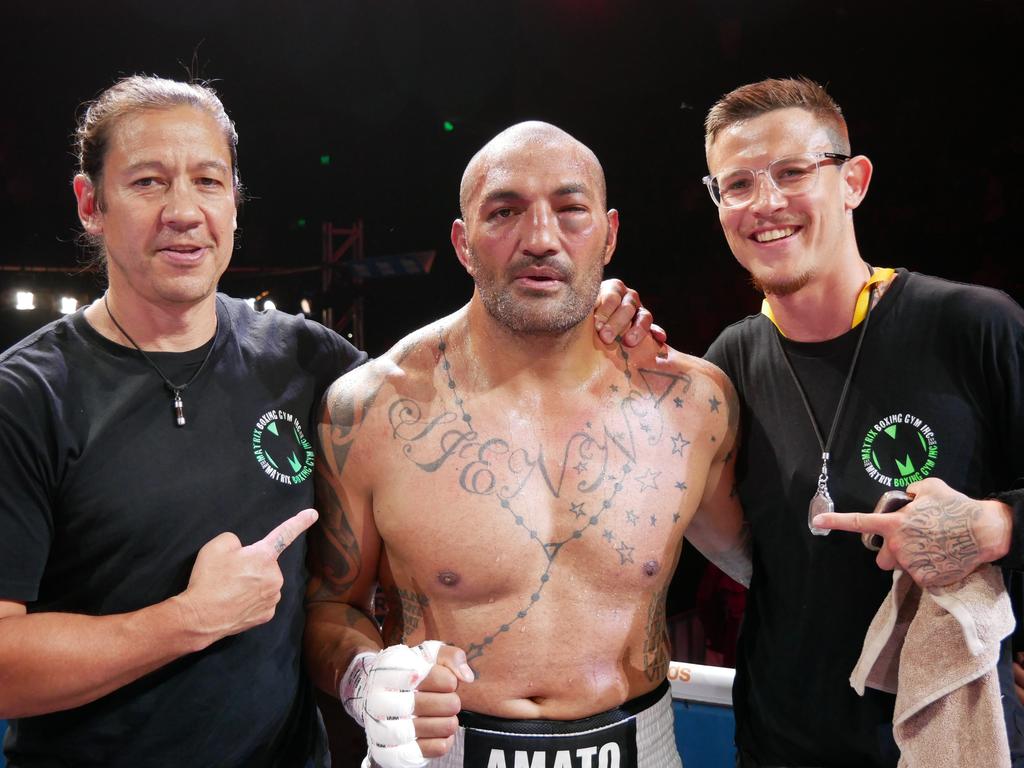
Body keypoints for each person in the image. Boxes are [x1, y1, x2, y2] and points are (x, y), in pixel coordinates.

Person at [0, 77, 653, 768]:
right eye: (148, 183)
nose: (184, 211)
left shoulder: (308, 361)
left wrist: (585, 317)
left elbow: (460, 381)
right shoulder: (27, 397)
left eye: (208, 181)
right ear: (91, 204)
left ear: (234, 199)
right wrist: (184, 622)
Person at [304, 120, 751, 768]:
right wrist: (365, 677)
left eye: (570, 210)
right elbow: (327, 603)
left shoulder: (690, 406)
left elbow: (776, 572)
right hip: (441, 752)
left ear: (610, 233)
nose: (540, 239)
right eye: (505, 212)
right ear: (464, 243)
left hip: (639, 745)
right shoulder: (371, 409)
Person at [701, 76, 1024, 767]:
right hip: (779, 746)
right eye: (737, 185)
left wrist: (995, 526)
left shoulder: (974, 326)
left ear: (853, 181)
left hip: (949, 740)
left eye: (792, 173)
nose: (766, 204)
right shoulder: (727, 363)